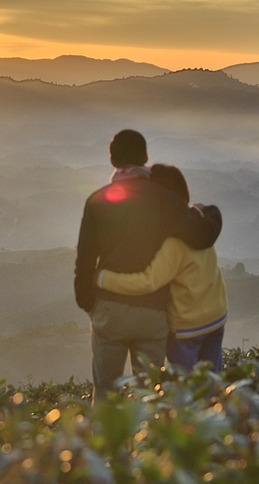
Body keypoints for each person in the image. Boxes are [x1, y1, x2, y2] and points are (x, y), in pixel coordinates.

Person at [75, 130, 222, 400]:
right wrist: (211, 213)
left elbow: (85, 259)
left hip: (110, 310)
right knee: (150, 397)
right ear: (145, 157)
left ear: (112, 159)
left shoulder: (96, 201)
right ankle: (149, 441)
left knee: (106, 393)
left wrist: (89, 301)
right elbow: (200, 235)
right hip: (152, 311)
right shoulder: (165, 200)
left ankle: (106, 442)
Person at [96, 163, 228, 373]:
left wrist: (104, 278)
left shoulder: (173, 243)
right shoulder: (201, 222)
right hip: (216, 317)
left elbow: (148, 281)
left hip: (188, 327)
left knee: (183, 385)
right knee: (213, 380)